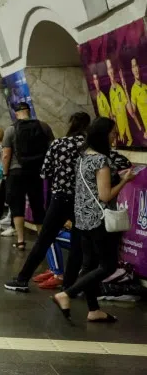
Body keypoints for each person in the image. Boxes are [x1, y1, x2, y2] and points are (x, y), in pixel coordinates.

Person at [52, 117, 136, 323]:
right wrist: (125, 180)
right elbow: (105, 196)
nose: (115, 136)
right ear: (103, 135)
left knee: (89, 266)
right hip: (100, 221)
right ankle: (67, 294)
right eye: (113, 133)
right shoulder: (102, 161)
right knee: (107, 266)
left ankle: (94, 309)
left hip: (82, 219)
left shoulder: (83, 158)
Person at [4, 112, 91, 292]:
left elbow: (45, 172)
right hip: (82, 199)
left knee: (44, 239)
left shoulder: (59, 143)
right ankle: (69, 286)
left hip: (60, 197)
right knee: (77, 243)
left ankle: (22, 279)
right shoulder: (89, 146)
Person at [1, 102, 54, 249]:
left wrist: (5, 172)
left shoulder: (11, 129)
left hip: (16, 172)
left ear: (16, 113)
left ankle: (20, 240)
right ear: (29, 111)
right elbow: (52, 149)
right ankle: (42, 241)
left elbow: (6, 155)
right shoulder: (44, 127)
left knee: (17, 205)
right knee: (37, 204)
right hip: (36, 171)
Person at [107, 60, 134, 146]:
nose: (110, 71)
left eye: (111, 68)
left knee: (129, 140)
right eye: (108, 69)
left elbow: (130, 110)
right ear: (107, 72)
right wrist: (116, 131)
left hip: (125, 123)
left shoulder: (120, 88)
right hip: (118, 127)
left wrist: (125, 89)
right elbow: (113, 114)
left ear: (113, 70)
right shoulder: (110, 92)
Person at [129, 58, 147, 131]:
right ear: (132, 70)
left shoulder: (145, 86)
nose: (136, 69)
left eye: (136, 66)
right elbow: (132, 112)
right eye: (133, 67)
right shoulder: (133, 90)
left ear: (139, 67)